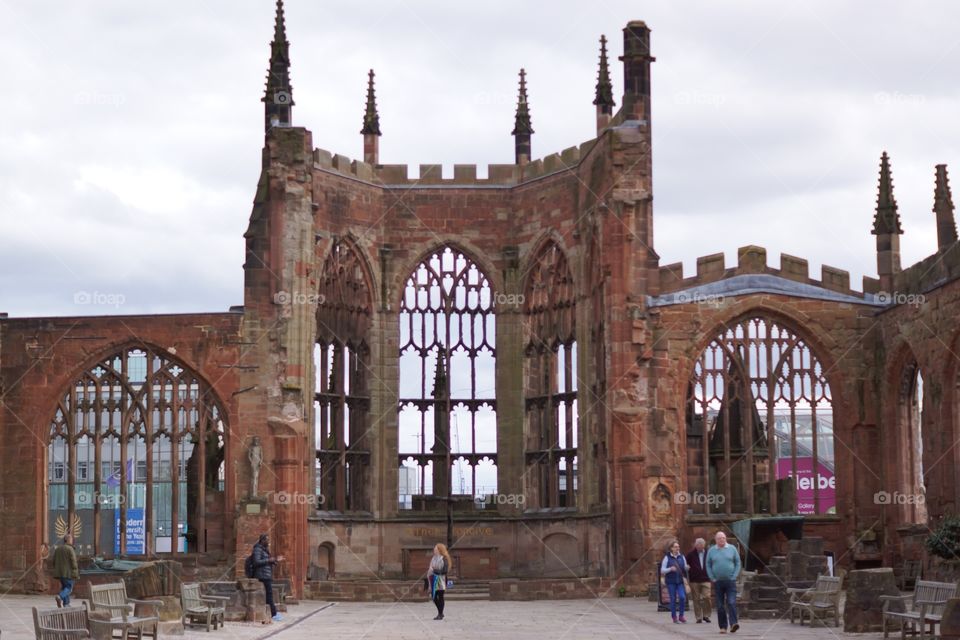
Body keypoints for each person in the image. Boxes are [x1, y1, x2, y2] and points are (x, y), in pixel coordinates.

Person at [706, 531, 741, 634]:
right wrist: (712, 577)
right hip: (718, 582)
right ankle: (723, 627)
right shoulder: (712, 550)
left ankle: (733, 624)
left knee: (731, 602)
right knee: (720, 605)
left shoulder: (732, 549)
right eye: (720, 538)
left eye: (723, 538)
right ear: (716, 540)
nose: (722, 540)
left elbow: (738, 562)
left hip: (730, 581)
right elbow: (708, 564)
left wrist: (734, 576)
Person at [252, 534, 284, 622]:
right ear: (262, 540)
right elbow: (256, 562)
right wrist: (269, 560)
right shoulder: (257, 549)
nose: (268, 541)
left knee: (268, 594)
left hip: (266, 575)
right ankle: (274, 614)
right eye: (267, 540)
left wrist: (275, 560)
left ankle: (269, 613)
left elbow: (267, 560)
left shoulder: (264, 550)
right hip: (262, 575)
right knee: (269, 595)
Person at [660, 540, 688, 624]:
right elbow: (662, 570)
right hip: (671, 581)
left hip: (680, 581)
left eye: (678, 547)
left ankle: (681, 616)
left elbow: (684, 567)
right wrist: (670, 569)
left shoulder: (682, 556)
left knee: (682, 597)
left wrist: (687, 568)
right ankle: (674, 617)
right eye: (675, 547)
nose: (677, 548)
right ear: (671, 548)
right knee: (673, 599)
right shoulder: (667, 557)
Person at [685, 537, 712, 624]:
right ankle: (698, 617)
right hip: (694, 580)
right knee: (696, 599)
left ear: (704, 545)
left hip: (706, 579)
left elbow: (712, 563)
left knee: (707, 597)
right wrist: (687, 568)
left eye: (702, 545)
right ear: (695, 545)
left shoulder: (708, 553)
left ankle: (706, 615)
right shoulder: (690, 554)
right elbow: (685, 563)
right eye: (698, 545)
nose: (700, 547)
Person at [426, 543, 451, 620]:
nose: (434, 549)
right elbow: (431, 567)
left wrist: (434, 570)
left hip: (441, 580)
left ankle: (440, 614)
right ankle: (440, 612)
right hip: (433, 579)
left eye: (435, 548)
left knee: (440, 597)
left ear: (439, 549)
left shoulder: (444, 558)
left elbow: (444, 571)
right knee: (433, 597)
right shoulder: (433, 558)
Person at [52, 534, 78, 607]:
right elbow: (74, 561)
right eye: (71, 539)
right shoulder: (70, 549)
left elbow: (53, 561)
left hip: (60, 573)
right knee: (69, 588)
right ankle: (60, 596)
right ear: (68, 540)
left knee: (64, 587)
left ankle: (66, 604)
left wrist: (58, 569)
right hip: (68, 573)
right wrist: (75, 570)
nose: (72, 541)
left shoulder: (58, 549)